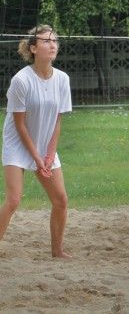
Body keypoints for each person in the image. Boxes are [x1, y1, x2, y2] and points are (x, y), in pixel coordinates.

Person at [0, 25, 72, 258]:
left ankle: (57, 251)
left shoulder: (62, 79)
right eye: (46, 41)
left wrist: (49, 153)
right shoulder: (21, 80)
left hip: (44, 143)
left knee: (61, 200)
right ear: (33, 48)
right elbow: (20, 125)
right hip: (18, 143)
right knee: (13, 200)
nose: (53, 45)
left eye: (55, 41)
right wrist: (36, 157)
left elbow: (57, 120)